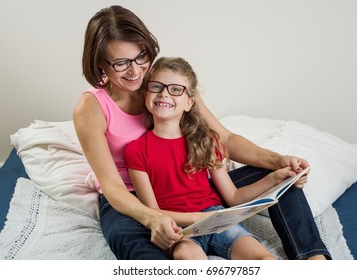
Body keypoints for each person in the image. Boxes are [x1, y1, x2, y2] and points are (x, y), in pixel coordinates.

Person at [73, 5, 331, 260]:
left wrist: (278, 161)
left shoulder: (166, 84)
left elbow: (226, 139)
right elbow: (113, 187)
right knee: (135, 243)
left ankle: (313, 259)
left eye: (141, 56)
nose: (136, 70)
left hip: (184, 184)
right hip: (130, 197)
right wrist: (155, 218)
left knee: (278, 176)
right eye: (121, 63)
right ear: (100, 65)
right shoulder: (92, 107)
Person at [125, 57, 285, 260]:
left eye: (176, 89)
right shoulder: (136, 150)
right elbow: (152, 212)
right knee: (189, 257)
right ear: (146, 93)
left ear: (188, 103)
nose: (164, 93)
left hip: (216, 218)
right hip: (180, 230)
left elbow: (234, 197)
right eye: (157, 86)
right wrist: (198, 219)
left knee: (266, 260)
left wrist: (274, 179)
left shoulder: (205, 141)